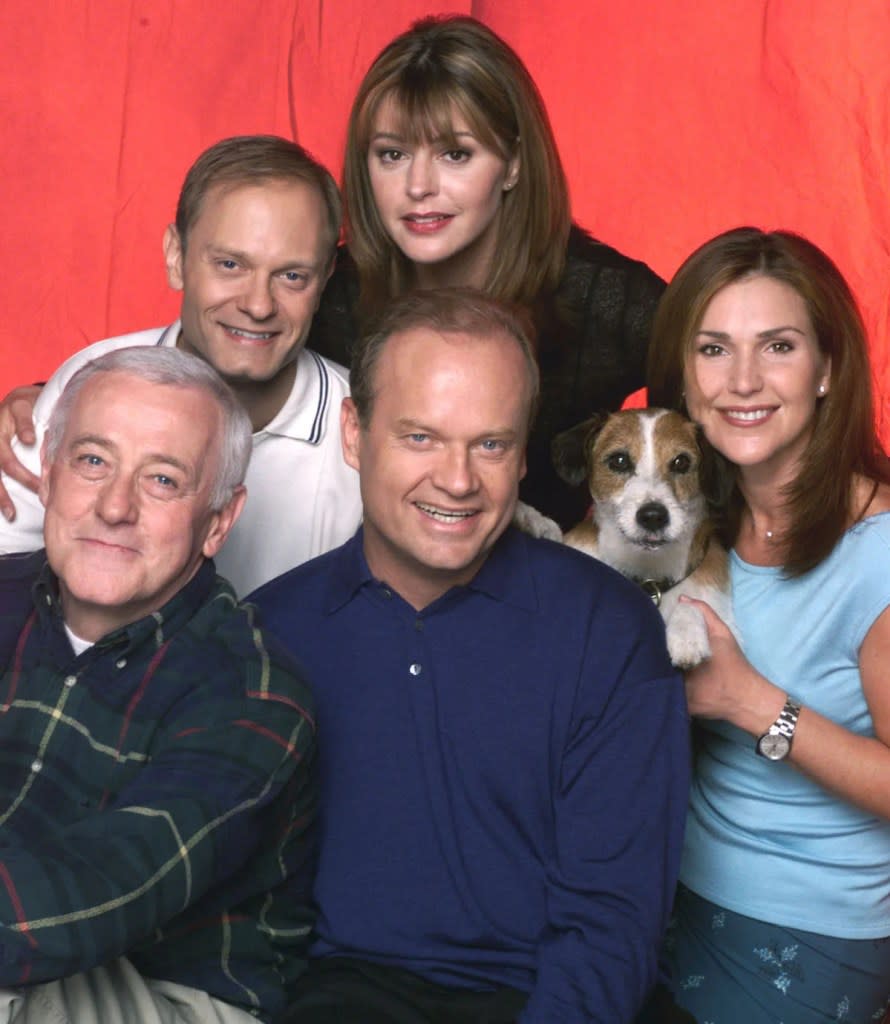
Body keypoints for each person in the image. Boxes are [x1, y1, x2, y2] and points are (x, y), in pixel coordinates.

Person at [250, 287, 691, 1022]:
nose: (457, 480)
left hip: (553, 1000)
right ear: (355, 434)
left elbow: (612, 926)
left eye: (490, 444)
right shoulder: (270, 629)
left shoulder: (608, 630)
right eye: (419, 437)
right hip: (337, 999)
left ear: (523, 455)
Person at [0, 347, 316, 1023]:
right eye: (92, 461)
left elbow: (91, 896)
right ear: (49, 476)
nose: (115, 506)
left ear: (220, 523)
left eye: (164, 480)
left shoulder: (254, 689)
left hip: (169, 997)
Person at [646, 227, 890, 1022]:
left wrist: (752, 703)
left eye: (777, 345)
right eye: (713, 349)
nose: (742, 380)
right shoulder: (687, 520)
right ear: (684, 377)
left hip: (805, 931)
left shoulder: (878, 549)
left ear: (827, 369)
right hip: (663, 894)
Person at [307, 14, 666, 529]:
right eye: (392, 154)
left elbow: (726, 423)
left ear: (513, 163)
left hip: (553, 598)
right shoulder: (329, 298)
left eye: (456, 154)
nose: (418, 185)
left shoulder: (607, 299)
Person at [0, 135, 361, 595]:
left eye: (292, 276)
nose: (257, 305)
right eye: (230, 264)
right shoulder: (91, 380)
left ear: (326, 278)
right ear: (177, 256)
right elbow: (7, 567)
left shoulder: (363, 430)